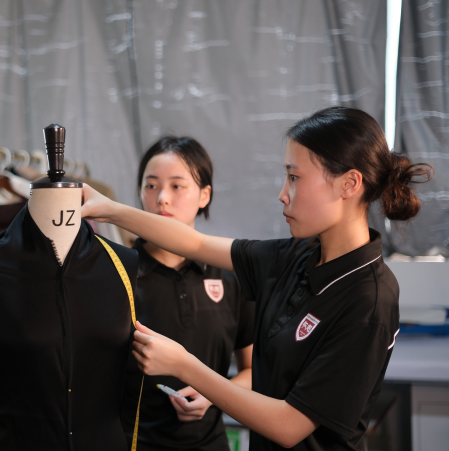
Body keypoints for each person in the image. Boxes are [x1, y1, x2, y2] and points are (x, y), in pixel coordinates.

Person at [82, 107, 433, 450]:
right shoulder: (297, 256)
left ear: (349, 184)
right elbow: (195, 243)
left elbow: (289, 426)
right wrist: (108, 209)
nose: (283, 193)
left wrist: (184, 366)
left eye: (294, 177)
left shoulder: (368, 299)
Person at [120, 136, 254, 451]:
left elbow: (253, 370)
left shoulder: (231, 275)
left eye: (177, 186)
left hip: (211, 444)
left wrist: (213, 393)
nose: (162, 198)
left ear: (204, 195)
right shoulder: (118, 273)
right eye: (151, 185)